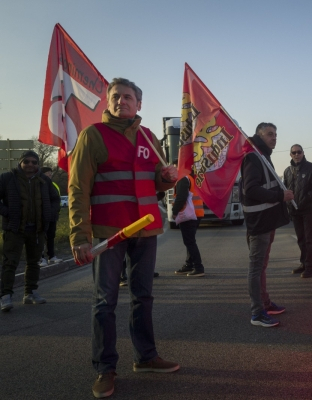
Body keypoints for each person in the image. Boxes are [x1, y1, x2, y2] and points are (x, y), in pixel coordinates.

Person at [69, 77, 180, 399]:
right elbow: (77, 190)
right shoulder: (93, 136)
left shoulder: (148, 136)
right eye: (116, 96)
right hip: (109, 234)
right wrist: (80, 236)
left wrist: (166, 180)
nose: (122, 101)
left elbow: (155, 184)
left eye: (128, 97)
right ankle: (105, 369)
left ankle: (146, 357)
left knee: (142, 297)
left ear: (139, 104)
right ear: (108, 101)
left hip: (145, 230)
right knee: (105, 302)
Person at [242, 122, 294, 328]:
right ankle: (257, 313)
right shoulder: (253, 157)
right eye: (270, 134)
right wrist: (280, 196)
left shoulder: (262, 156)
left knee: (261, 266)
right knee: (256, 268)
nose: (274, 138)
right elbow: (251, 189)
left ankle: (265, 303)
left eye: (275, 134)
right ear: (259, 136)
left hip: (266, 220)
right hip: (259, 222)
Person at [0, 150, 60, 312]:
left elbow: (55, 199)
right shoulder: (7, 178)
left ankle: (30, 293)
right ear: (20, 163)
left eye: (34, 162)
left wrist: (51, 213)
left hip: (37, 229)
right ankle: (5, 296)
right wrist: (8, 213)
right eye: (27, 161)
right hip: (14, 229)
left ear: (38, 165)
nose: (30, 165)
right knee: (10, 262)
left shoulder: (43, 181)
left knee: (34, 262)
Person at [283, 144, 312, 278]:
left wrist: (305, 199)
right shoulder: (287, 171)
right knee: (301, 239)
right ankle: (304, 264)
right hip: (295, 212)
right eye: (293, 152)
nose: (296, 154)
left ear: (303, 153)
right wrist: (288, 205)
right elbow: (286, 190)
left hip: (309, 210)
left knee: (310, 239)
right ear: (290, 154)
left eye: (299, 152)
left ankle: (311, 267)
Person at [172, 172, 206, 277]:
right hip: (197, 213)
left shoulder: (183, 178)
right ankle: (189, 264)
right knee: (190, 240)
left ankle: (198, 267)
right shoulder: (194, 177)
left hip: (188, 215)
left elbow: (181, 197)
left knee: (189, 242)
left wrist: (174, 211)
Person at [39, 166, 63, 266]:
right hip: (42, 216)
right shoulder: (39, 184)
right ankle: (41, 258)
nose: (50, 174)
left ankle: (51, 256)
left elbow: (57, 200)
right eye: (47, 173)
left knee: (51, 236)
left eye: (50, 173)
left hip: (53, 215)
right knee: (41, 237)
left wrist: (56, 211)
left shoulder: (54, 185)